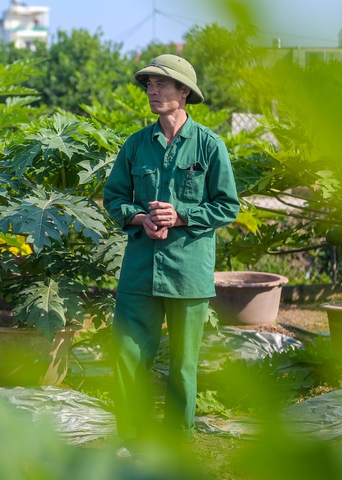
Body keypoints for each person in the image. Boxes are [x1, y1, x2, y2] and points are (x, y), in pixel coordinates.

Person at [103, 55, 240, 446]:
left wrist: (180, 216)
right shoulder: (135, 146)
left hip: (188, 270)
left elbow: (227, 205)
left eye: (162, 84)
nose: (153, 90)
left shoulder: (210, 146)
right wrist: (139, 218)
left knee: (183, 364)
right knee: (127, 356)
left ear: (184, 92)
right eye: (148, 84)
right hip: (140, 269)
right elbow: (114, 199)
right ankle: (131, 439)